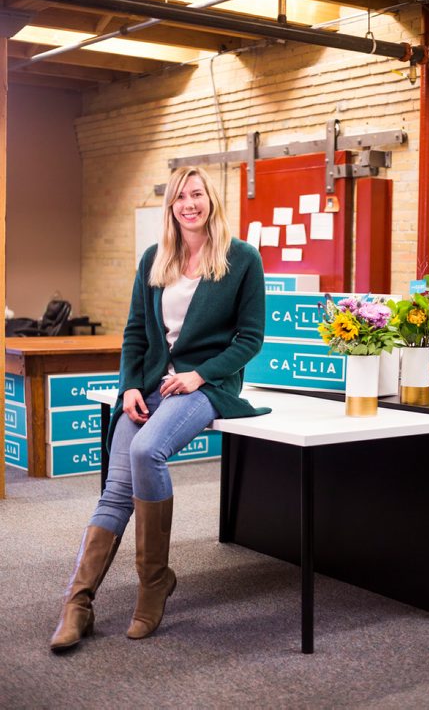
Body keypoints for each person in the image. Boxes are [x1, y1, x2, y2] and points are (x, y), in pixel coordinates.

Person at [50, 166, 270, 652]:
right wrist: (128, 386)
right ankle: (78, 603)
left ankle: (153, 583)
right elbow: (134, 333)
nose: (189, 204)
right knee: (116, 488)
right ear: (170, 207)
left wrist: (201, 373)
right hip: (150, 385)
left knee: (146, 450)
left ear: (210, 199)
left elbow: (251, 337)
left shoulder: (242, 259)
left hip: (204, 386)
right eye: (180, 198)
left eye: (197, 195)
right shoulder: (156, 257)